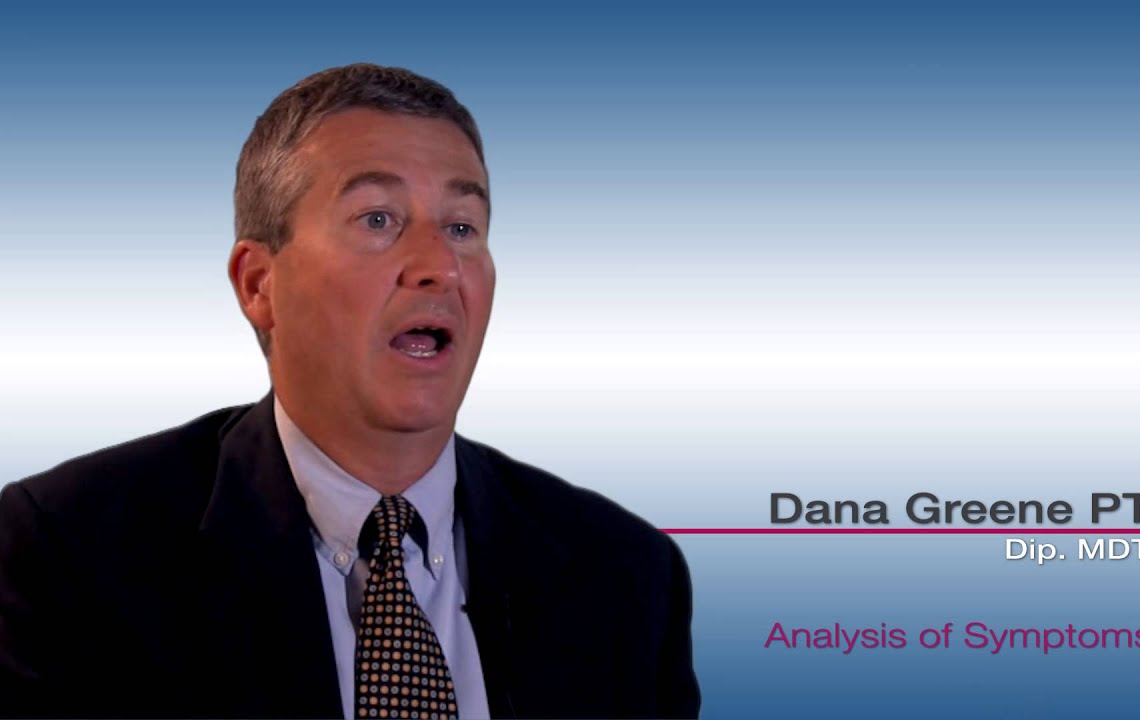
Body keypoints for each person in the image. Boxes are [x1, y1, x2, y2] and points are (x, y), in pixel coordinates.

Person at [0, 63, 700, 719]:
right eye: (378, 220)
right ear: (259, 285)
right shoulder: (65, 553)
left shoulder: (628, 576)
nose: (439, 266)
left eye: (462, 228)